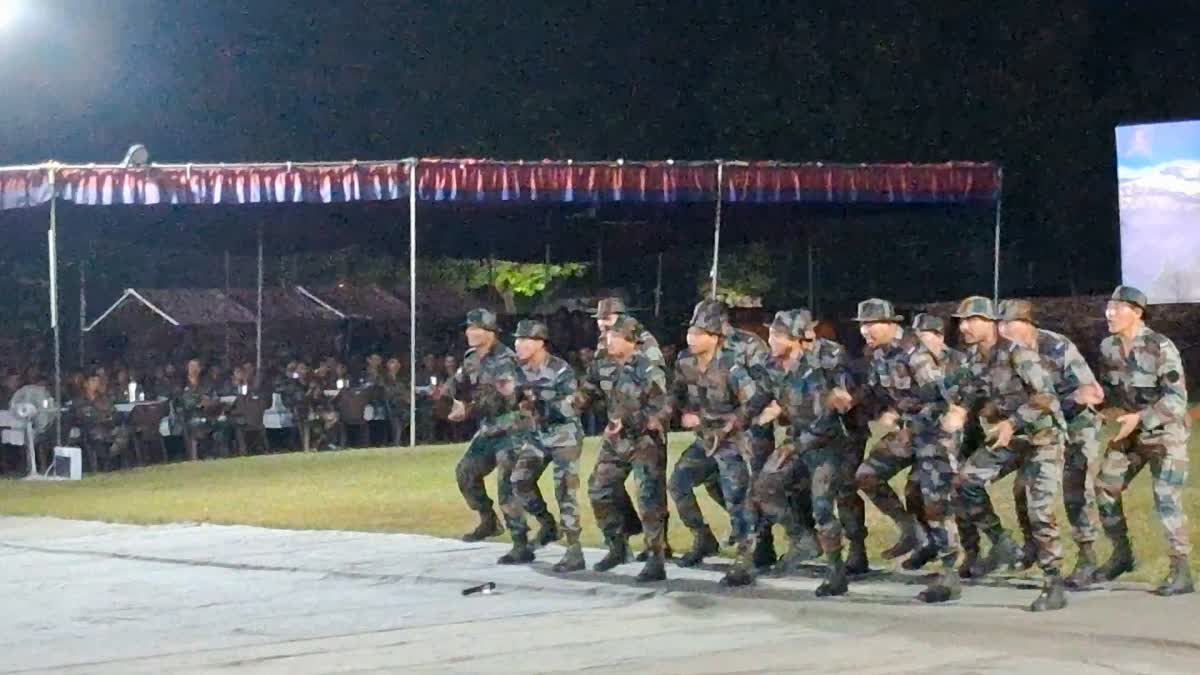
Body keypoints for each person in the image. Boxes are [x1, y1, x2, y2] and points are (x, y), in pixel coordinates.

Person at [953, 296, 1068, 612]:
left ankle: (1053, 581)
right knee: (965, 481)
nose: (964, 326)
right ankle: (1002, 542)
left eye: (972, 320)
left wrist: (1012, 421)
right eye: (961, 321)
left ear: (991, 324)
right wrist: (960, 413)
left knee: (1039, 510)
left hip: (1042, 438)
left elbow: (1045, 396)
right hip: (1009, 440)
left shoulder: (1019, 354)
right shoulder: (973, 360)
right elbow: (968, 396)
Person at [1092, 286, 1193, 596]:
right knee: (1105, 487)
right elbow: (1112, 392)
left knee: (1166, 497)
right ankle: (1122, 555)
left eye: (1117, 308)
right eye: (1108, 307)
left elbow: (1177, 400)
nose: (1110, 313)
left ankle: (1181, 570)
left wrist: (1140, 418)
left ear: (1137, 312)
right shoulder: (1108, 347)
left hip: (1166, 433)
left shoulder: (1160, 346)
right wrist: (1102, 409)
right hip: (1131, 434)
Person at [998, 300, 1105, 588]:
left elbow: (1091, 392)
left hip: (1077, 426)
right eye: (1000, 325)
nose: (1003, 330)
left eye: (1009, 324)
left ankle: (1087, 557)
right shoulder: (1006, 354)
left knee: (1077, 490)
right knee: (1024, 487)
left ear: (1027, 324)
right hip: (1041, 429)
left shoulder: (1056, 346)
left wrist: (1058, 405)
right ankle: (1033, 545)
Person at [749, 310, 852, 596]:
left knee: (822, 507)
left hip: (826, 444)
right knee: (764, 486)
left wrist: (795, 445)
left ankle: (836, 571)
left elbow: (826, 418)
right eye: (771, 333)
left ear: (795, 339)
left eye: (778, 335)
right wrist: (741, 419)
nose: (771, 339)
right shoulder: (772, 366)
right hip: (797, 440)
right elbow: (759, 398)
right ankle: (802, 537)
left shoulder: (820, 366)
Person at [669, 299, 761, 586]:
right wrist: (679, 413)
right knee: (678, 482)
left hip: (732, 441)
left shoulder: (731, 366)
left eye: (699, 334)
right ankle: (702, 536)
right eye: (690, 332)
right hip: (705, 441)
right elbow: (677, 395)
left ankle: (746, 557)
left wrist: (725, 424)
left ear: (716, 337)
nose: (691, 338)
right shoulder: (685, 361)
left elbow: (751, 403)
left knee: (736, 497)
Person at [582, 315, 672, 581]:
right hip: (615, 439)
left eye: (615, 336)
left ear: (630, 341)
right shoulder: (603, 364)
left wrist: (630, 421)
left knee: (649, 498)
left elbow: (663, 408)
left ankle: (656, 557)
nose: (608, 340)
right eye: (608, 335)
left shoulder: (648, 369)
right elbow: (588, 390)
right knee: (600, 488)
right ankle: (617, 546)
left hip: (644, 440)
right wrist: (572, 403)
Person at [852, 299, 932, 566]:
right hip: (906, 430)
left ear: (890, 324)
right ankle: (910, 530)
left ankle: (950, 558)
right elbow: (876, 392)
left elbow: (939, 398)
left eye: (872, 324)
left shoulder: (914, 352)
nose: (866, 330)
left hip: (934, 432)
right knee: (867, 475)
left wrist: (908, 420)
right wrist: (853, 401)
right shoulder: (878, 354)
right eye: (863, 324)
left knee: (923, 492)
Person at [445, 309, 525, 544]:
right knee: (465, 472)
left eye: (475, 328)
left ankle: (520, 541)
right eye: (469, 328)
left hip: (511, 430)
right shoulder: (471, 358)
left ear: (490, 332)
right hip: (489, 429)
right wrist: (455, 401)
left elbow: (503, 400)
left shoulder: (506, 360)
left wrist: (468, 409)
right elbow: (458, 385)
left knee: (507, 487)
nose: (469, 332)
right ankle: (488, 520)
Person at [513, 319, 585, 572]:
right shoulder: (518, 370)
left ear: (540, 343)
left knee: (565, 490)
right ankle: (547, 525)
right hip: (538, 436)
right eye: (517, 340)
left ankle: (574, 550)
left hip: (564, 435)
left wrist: (541, 404)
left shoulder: (560, 370)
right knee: (519, 479)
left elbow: (572, 405)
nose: (519, 345)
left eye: (525, 340)